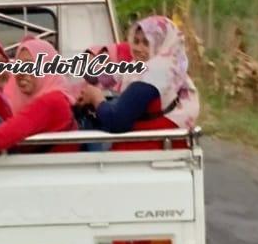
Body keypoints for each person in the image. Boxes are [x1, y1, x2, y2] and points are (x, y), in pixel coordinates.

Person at [78, 16, 199, 151]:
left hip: (145, 149)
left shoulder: (153, 74)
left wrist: (96, 98)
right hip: (162, 144)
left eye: (146, 43)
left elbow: (117, 121)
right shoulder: (170, 66)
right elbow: (111, 75)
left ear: (161, 44)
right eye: (136, 41)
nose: (138, 48)